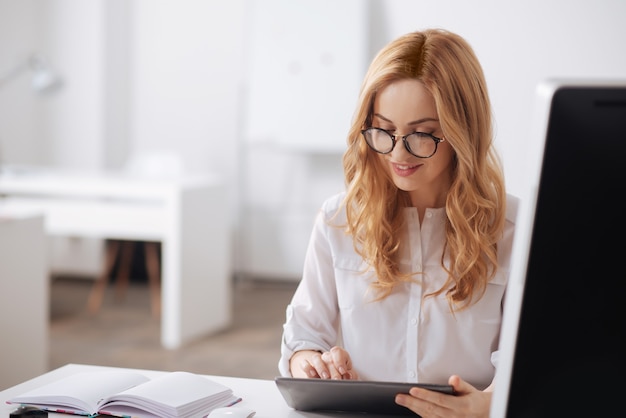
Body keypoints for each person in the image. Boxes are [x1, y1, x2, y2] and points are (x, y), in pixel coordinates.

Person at [278, 28, 517, 417]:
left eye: (422, 134)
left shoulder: (513, 229)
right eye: (384, 131)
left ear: (463, 132)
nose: (398, 153)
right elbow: (303, 337)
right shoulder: (338, 221)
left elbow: (525, 359)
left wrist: (489, 403)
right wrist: (312, 364)